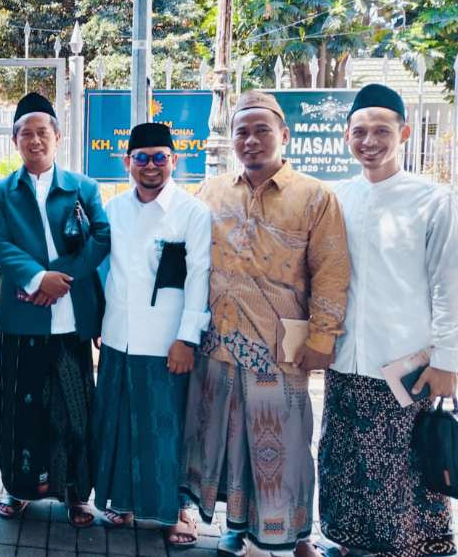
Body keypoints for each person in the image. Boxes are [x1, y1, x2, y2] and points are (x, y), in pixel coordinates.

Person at [180, 91, 351, 556]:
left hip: (280, 352)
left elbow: (332, 273)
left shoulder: (315, 197)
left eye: (262, 130)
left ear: (284, 135)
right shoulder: (211, 191)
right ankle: (236, 528)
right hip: (218, 348)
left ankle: (295, 533)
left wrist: (322, 338)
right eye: (242, 132)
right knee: (230, 445)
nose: (251, 140)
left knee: (287, 448)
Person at [318, 83, 458, 556]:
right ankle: (349, 542)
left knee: (402, 468)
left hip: (405, 362)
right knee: (343, 461)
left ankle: (408, 546)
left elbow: (450, 285)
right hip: (344, 361)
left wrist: (448, 362)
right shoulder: (335, 197)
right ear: (346, 136)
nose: (370, 141)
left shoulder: (433, 200)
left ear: (404, 133)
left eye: (381, 130)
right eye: (360, 131)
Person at [0, 92, 110, 528]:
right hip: (23, 317)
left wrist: (60, 279)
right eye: (26, 133)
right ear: (15, 140)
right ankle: (20, 490)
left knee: (76, 409)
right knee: (20, 411)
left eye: (43, 132)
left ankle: (76, 494)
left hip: (71, 318)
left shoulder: (84, 187)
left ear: (57, 136)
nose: (35, 140)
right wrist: (38, 280)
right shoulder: (1, 192)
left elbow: (101, 237)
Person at [89, 122, 211, 547]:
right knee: (119, 423)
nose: (151, 166)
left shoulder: (193, 213)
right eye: (141, 158)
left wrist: (187, 338)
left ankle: (177, 511)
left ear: (174, 161)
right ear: (128, 163)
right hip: (119, 337)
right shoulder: (114, 208)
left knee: (168, 428)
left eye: (160, 157)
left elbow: (199, 278)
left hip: (166, 343)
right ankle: (121, 501)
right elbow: (103, 270)